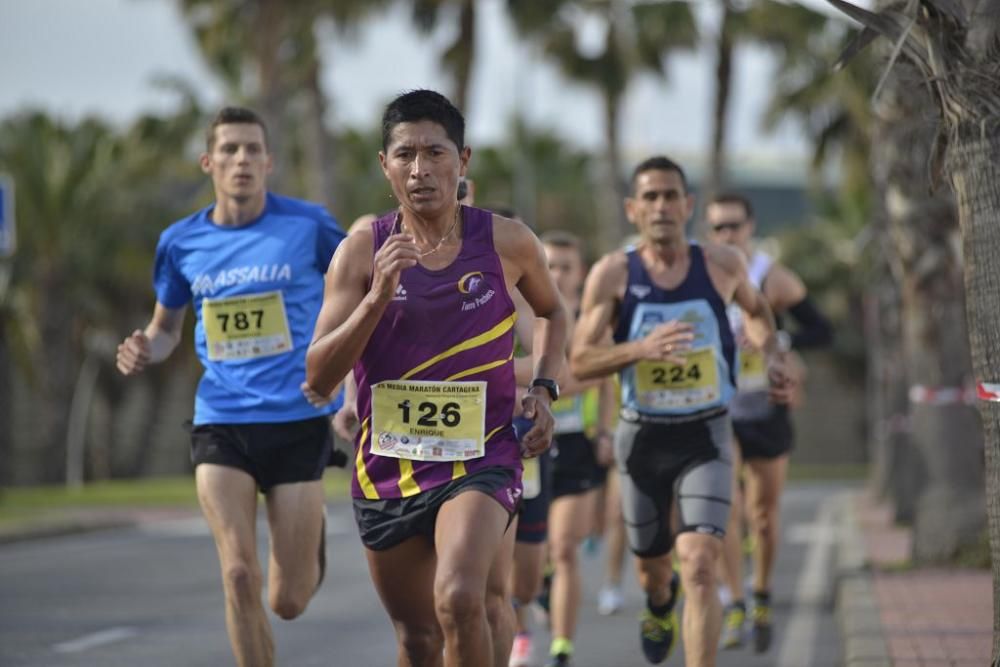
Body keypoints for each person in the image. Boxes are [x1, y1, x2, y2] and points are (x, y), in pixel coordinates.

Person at [305, 89, 568, 667]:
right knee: (418, 641)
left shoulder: (506, 242)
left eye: (435, 153)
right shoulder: (358, 252)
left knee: (459, 599)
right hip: (387, 470)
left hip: (483, 455)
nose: (420, 170)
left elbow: (552, 311)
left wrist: (545, 389)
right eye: (404, 155)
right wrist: (375, 297)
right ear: (385, 165)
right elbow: (320, 376)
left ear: (463, 160)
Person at [115, 106, 346, 667]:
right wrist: (145, 346)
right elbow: (166, 329)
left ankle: (306, 549)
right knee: (239, 573)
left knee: (287, 600)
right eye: (229, 150)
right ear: (208, 162)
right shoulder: (180, 242)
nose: (240, 159)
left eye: (250, 150)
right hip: (221, 418)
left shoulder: (310, 226)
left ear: (268, 162)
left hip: (297, 419)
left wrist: (347, 381)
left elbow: (360, 294)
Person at [570, 155, 792, 667]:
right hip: (642, 437)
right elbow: (581, 359)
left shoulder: (722, 264)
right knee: (654, 568)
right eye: (650, 196)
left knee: (699, 563)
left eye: (671, 195)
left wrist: (775, 355)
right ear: (632, 209)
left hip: (706, 434)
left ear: (688, 204)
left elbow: (759, 316)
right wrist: (638, 350)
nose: (662, 205)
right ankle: (657, 602)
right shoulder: (613, 273)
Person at [705, 193, 831, 653]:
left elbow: (822, 331)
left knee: (762, 514)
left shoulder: (772, 279)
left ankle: (761, 592)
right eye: (718, 227)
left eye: (734, 225)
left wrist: (778, 341)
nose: (727, 235)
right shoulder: (707, 273)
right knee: (727, 509)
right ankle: (734, 601)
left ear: (751, 226)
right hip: (719, 408)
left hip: (766, 408)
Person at [537, 231, 616, 667]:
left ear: (581, 272)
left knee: (565, 545)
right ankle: (540, 582)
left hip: (576, 445)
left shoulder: (591, 320)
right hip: (529, 445)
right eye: (549, 265)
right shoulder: (522, 313)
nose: (558, 274)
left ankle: (561, 648)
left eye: (566, 266)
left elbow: (601, 381)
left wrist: (604, 432)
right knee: (535, 552)